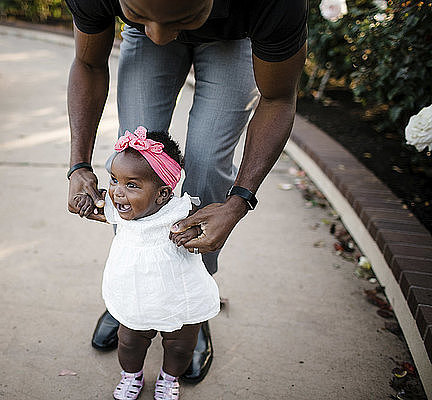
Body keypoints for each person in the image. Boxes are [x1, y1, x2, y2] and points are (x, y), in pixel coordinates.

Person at [65, 0, 307, 383]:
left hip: (233, 39)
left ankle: (192, 306)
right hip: (145, 45)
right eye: (139, 14)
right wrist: (79, 165)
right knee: (135, 162)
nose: (159, 35)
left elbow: (278, 97)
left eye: (179, 19)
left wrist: (239, 200)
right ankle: (132, 296)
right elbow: (89, 63)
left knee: (208, 164)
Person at [74, 127, 220, 400]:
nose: (117, 192)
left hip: (180, 296)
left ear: (163, 193)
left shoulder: (181, 211)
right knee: (129, 342)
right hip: (134, 293)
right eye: (114, 179)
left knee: (179, 346)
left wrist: (195, 231)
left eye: (132, 185)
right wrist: (84, 200)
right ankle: (132, 376)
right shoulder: (117, 208)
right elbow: (93, 203)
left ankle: (169, 378)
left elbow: (203, 225)